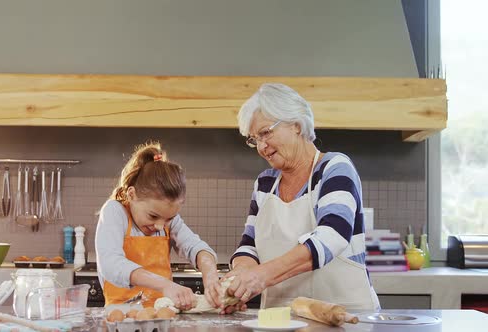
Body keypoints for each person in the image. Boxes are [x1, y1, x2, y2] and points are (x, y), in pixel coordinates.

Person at [224, 83, 380, 311]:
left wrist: (262, 276)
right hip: (281, 319)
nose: (261, 145)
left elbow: (333, 234)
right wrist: (239, 277)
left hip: (343, 316)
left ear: (296, 125)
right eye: (254, 139)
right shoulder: (264, 183)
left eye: (266, 133)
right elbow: (249, 246)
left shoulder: (334, 167)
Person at [95, 142, 223, 310]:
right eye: (153, 216)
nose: (160, 225)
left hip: (163, 316)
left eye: (169, 218)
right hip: (122, 318)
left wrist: (211, 276)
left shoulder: (166, 220)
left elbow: (195, 246)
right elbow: (111, 264)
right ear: (131, 194)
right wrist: (165, 285)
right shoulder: (115, 211)